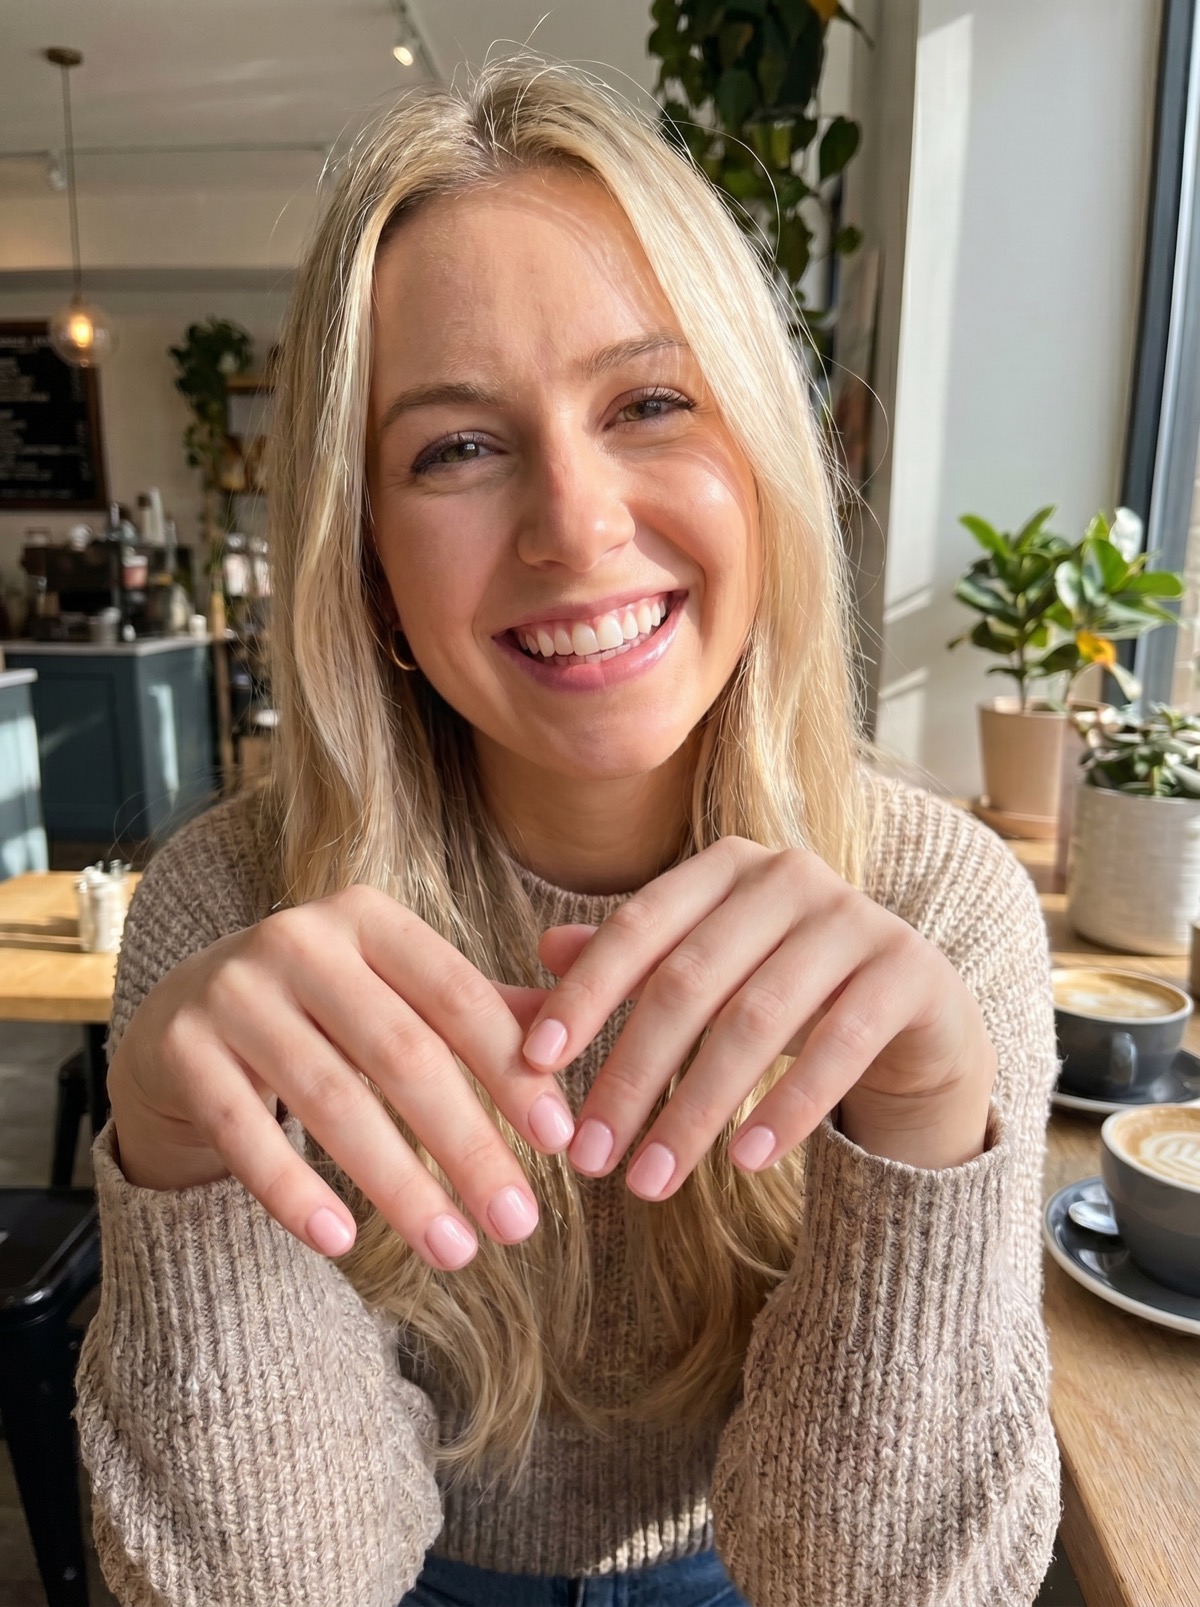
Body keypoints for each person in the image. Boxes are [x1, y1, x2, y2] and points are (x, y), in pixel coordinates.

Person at [75, 57, 1060, 1607]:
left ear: (761, 458)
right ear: (367, 559)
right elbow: (271, 1586)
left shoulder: (944, 907)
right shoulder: (225, 910)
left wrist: (927, 1131)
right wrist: (185, 1167)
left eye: (652, 402)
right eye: (456, 448)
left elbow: (876, 1588)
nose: (576, 523)